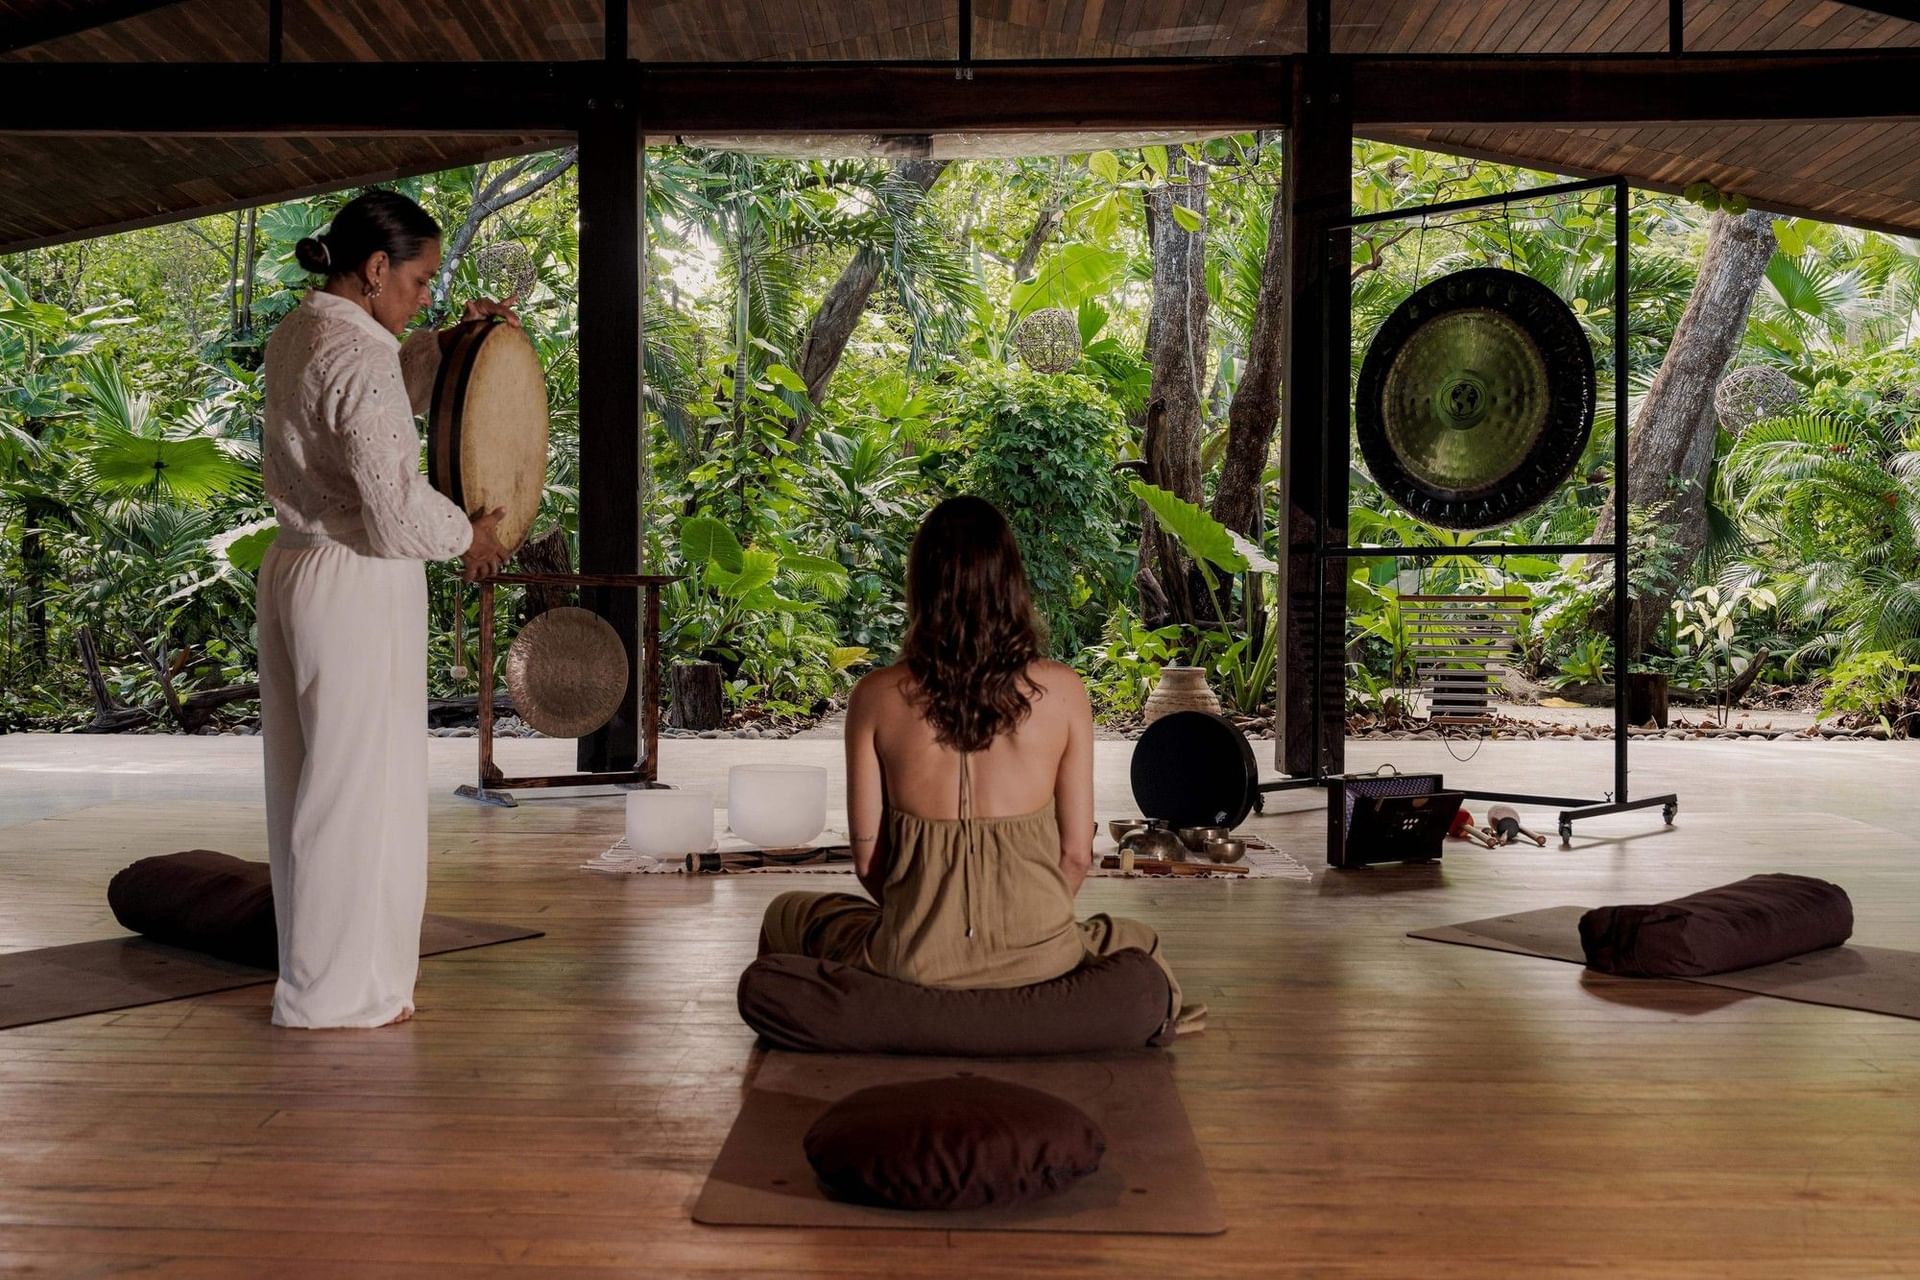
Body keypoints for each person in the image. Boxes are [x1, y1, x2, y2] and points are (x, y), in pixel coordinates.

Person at [760, 496, 1199, 1034]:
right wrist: (1026, 931)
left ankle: (904, 1015)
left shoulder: (874, 696)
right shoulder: (1062, 692)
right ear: (1012, 584)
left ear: (920, 584)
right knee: (1137, 942)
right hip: (1044, 959)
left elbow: (869, 860)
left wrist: (926, 922)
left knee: (789, 914)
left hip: (909, 961)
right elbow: (1076, 857)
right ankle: (1040, 1017)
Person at [256, 189, 518, 1029]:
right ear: (375, 269)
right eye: (419, 282)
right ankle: (336, 995)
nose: (424, 296)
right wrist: (469, 533)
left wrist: (454, 345)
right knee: (357, 796)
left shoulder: (306, 330)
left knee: (313, 785)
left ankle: (324, 979)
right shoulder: (356, 354)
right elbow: (397, 508)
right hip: (357, 577)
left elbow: (373, 400)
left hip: (298, 568)